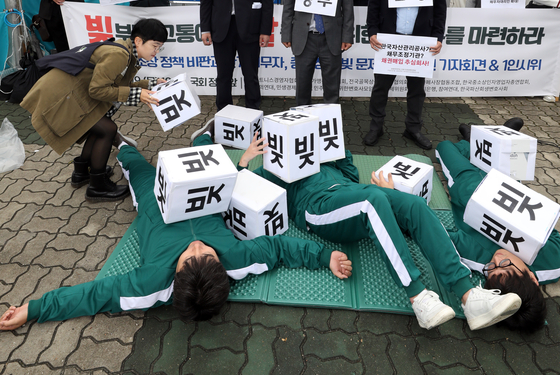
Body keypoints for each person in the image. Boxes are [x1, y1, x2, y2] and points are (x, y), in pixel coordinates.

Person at [0, 136, 351, 330]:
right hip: (206, 194)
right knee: (207, 153)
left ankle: (123, 144)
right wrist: (326, 256)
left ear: (177, 274)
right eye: (207, 254)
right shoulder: (238, 259)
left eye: (192, 256)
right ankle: (203, 136)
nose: (198, 246)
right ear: (221, 267)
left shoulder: (149, 283)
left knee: (138, 167)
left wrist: (33, 309)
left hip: (156, 203)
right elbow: (279, 249)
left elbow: (92, 295)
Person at [231, 126, 522, 331]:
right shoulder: (273, 168)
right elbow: (244, 193)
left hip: (349, 192)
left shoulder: (320, 158)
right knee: (372, 199)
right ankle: (418, 296)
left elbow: (350, 174)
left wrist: (333, 145)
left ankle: (468, 296)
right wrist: (245, 161)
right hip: (317, 208)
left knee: (413, 205)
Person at [20, 19, 168, 201]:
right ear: (138, 41)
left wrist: (151, 84)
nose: (156, 52)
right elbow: (97, 90)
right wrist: (138, 94)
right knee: (108, 129)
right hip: (61, 97)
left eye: (160, 47)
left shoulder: (125, 51)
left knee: (98, 126)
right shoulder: (119, 55)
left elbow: (117, 84)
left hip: (69, 94)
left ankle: (82, 172)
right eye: (155, 45)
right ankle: (97, 187)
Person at [436, 118, 559, 332]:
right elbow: (552, 232)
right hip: (509, 185)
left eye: (492, 269)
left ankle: (472, 140)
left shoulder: (478, 259)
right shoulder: (552, 260)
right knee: (517, 157)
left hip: (467, 183)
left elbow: (436, 234)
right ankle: (494, 137)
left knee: (443, 147)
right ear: (532, 277)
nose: (497, 259)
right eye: (505, 266)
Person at [365, 0, 447, 150]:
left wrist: (438, 37)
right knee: (381, 87)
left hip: (420, 41)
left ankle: (413, 128)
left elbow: (440, 7)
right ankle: (376, 126)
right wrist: (372, 32)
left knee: (416, 89)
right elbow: (374, 5)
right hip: (390, 40)